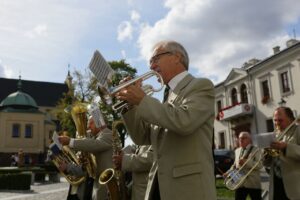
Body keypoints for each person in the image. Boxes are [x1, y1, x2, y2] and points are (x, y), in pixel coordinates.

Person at [116, 40, 217, 200]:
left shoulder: (200, 86)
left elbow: (184, 121)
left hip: (187, 191)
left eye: (155, 59)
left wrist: (142, 100)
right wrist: (130, 105)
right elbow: (141, 137)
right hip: (158, 188)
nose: (151, 67)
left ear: (176, 57)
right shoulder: (167, 97)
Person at [59, 115, 113, 200]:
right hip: (98, 185)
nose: (88, 126)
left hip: (108, 186)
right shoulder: (96, 137)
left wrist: (70, 141)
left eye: (91, 123)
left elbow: (95, 144)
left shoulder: (108, 133)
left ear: (99, 122)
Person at [263, 106, 300, 200]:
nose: (277, 123)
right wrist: (266, 154)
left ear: (291, 119)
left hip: (294, 185)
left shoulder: (298, 130)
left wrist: (286, 147)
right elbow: (268, 163)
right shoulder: (274, 135)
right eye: (275, 120)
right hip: (276, 183)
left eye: (280, 120)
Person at [224, 132, 262, 200]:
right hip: (239, 182)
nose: (241, 140)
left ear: (249, 140)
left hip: (252, 182)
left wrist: (246, 162)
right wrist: (228, 172)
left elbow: (260, 165)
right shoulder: (237, 151)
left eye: (244, 138)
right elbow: (235, 165)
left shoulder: (257, 149)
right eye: (240, 138)